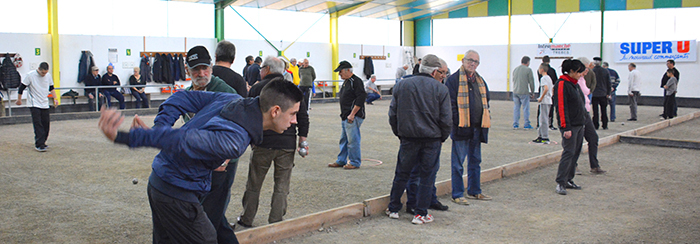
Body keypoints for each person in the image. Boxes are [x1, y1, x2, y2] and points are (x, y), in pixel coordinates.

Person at [97, 77, 302, 243]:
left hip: (160, 182)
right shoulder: (235, 139)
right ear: (275, 111)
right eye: (293, 114)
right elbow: (182, 140)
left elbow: (180, 98)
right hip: (176, 193)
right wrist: (125, 137)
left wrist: (160, 127)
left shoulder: (230, 100)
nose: (294, 121)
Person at [238, 56, 310, 228]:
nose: (260, 71)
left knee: (254, 184)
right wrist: (303, 141)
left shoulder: (257, 88)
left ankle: (247, 218)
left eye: (262, 68)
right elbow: (302, 116)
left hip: (262, 143)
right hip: (287, 144)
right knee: (282, 185)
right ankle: (276, 221)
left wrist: (251, 140)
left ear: (267, 70)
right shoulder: (293, 89)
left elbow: (249, 114)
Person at [181, 45, 240, 244]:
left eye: (205, 68)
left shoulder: (223, 91)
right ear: (188, 71)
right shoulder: (189, 94)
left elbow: (239, 126)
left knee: (211, 215)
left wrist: (223, 161)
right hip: (201, 163)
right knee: (209, 213)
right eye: (196, 69)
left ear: (212, 67)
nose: (201, 73)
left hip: (221, 164)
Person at [386, 54, 451, 225]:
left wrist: (400, 133)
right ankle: (420, 213)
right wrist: (442, 137)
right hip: (432, 140)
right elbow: (446, 119)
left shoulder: (402, 85)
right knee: (427, 177)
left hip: (408, 138)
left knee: (402, 173)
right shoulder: (441, 89)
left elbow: (393, 114)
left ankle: (393, 208)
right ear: (435, 71)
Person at [446, 50, 492, 205]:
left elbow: (487, 101)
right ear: (463, 61)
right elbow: (450, 104)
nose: (473, 64)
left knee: (475, 161)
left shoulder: (480, 81)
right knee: (458, 163)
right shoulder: (453, 80)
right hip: (461, 128)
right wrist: (457, 120)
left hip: (478, 128)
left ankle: (474, 191)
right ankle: (457, 194)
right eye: (470, 60)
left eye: (476, 62)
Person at [552, 59, 587, 195]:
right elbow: (561, 107)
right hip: (570, 126)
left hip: (579, 124)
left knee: (576, 152)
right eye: (579, 72)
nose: (580, 75)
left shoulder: (575, 84)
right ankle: (560, 182)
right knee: (569, 152)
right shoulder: (562, 84)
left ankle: (569, 179)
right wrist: (565, 127)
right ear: (571, 71)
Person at [328, 61, 367, 170]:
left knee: (352, 140)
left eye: (340, 72)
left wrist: (352, 114)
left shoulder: (356, 81)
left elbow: (361, 98)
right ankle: (341, 160)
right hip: (346, 116)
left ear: (348, 70)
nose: (339, 74)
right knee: (344, 140)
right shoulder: (346, 82)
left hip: (353, 117)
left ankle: (354, 162)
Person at [15, 62, 59, 152]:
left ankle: (43, 141)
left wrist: (55, 98)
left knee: (46, 124)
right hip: (34, 103)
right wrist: (19, 99)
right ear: (39, 69)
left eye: (45, 73)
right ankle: (39, 144)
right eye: (43, 73)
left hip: (44, 103)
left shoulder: (48, 76)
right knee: (38, 124)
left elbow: (52, 88)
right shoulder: (30, 75)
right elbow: (21, 88)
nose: (44, 74)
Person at [575, 67, 607, 175]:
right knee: (577, 141)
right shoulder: (576, 81)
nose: (587, 72)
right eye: (585, 69)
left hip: (586, 112)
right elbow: (585, 91)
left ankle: (594, 165)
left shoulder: (583, 79)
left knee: (593, 138)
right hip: (578, 113)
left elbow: (588, 89)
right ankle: (573, 165)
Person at [512, 56, 535, 129]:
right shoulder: (528, 70)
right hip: (524, 92)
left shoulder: (515, 69)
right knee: (525, 108)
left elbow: (513, 80)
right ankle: (526, 124)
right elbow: (531, 82)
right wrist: (532, 92)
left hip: (515, 91)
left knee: (516, 108)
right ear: (528, 62)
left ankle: (515, 124)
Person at [532, 64, 553, 144]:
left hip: (544, 101)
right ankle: (540, 135)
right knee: (542, 118)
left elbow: (546, 89)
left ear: (542, 70)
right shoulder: (549, 78)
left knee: (543, 119)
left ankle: (544, 136)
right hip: (548, 100)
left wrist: (541, 97)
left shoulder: (543, 78)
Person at [536, 55, 558, 130]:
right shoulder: (552, 71)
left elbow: (545, 87)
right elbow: (555, 81)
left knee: (541, 111)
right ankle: (550, 124)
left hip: (543, 92)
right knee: (550, 109)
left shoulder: (540, 73)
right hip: (550, 92)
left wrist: (541, 98)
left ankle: (539, 124)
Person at [591, 57, 611, 130]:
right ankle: (605, 124)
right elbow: (609, 83)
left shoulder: (592, 71)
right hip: (603, 93)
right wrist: (608, 92)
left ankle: (595, 125)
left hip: (594, 94)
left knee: (595, 111)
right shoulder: (605, 71)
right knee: (604, 110)